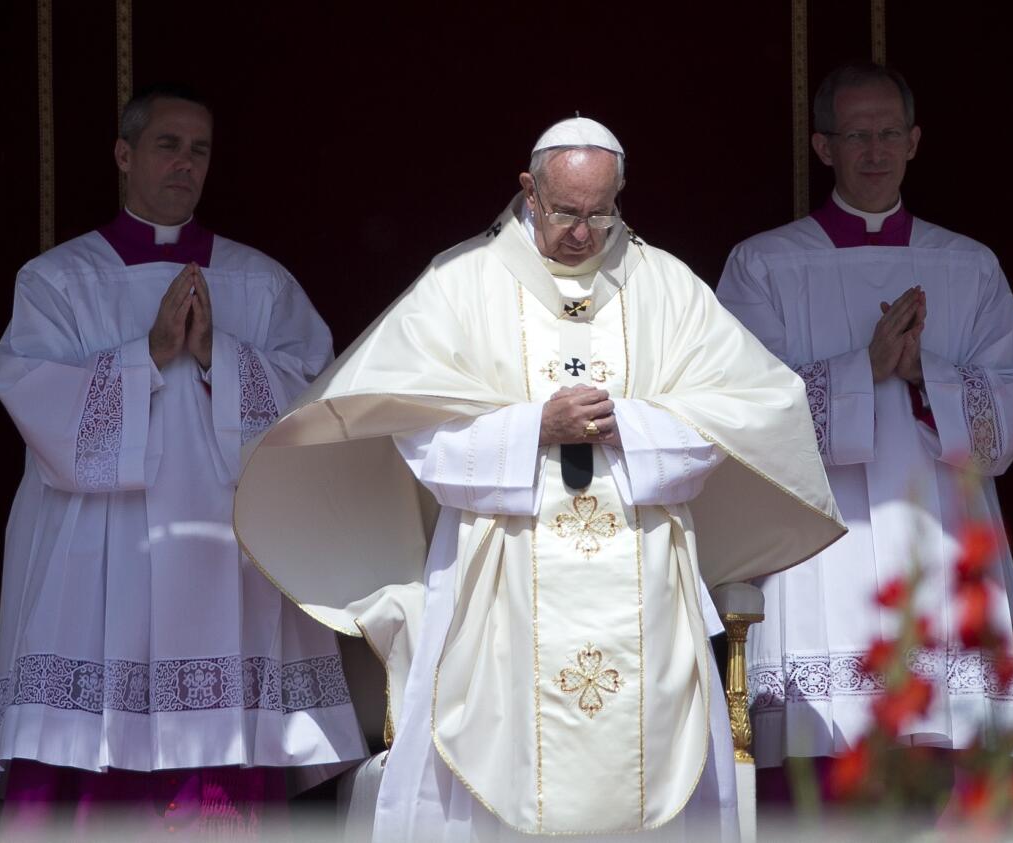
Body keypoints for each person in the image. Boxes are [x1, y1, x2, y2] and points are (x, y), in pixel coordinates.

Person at [232, 117, 844, 840]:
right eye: (565, 212)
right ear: (528, 190)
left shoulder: (665, 287)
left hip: (642, 578)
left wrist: (632, 425)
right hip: (500, 579)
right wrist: (533, 428)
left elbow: (742, 412)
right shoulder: (461, 285)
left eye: (600, 212)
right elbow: (417, 433)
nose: (584, 233)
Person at [0, 83, 365, 833]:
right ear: (125, 155)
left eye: (199, 150)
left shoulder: (259, 282)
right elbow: (33, 395)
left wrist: (219, 358)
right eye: (167, 145)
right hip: (99, 559)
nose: (185, 164)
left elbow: (319, 400)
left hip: (224, 553)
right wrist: (149, 354)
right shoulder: (58, 282)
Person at [716, 63, 1013, 798]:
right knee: (825, 773)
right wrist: (861, 367)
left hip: (942, 528)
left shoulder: (967, 266)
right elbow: (738, 407)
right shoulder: (764, 264)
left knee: (952, 764)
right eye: (856, 135)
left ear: (915, 141)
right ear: (823, 146)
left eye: (889, 133)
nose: (875, 150)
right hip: (818, 547)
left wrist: (928, 376)